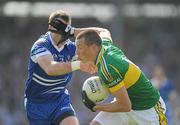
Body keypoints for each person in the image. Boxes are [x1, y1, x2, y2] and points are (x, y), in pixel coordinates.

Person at [75, 28, 168, 125]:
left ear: (93, 48)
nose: (77, 53)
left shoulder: (107, 68)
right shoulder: (104, 45)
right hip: (126, 106)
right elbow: (103, 31)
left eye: (80, 47)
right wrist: (72, 31)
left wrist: (96, 107)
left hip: (148, 111)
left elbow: (125, 105)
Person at [24, 10, 94, 125]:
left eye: (66, 28)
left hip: (59, 100)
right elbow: (50, 68)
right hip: (37, 105)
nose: (63, 32)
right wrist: (78, 65)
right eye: (59, 27)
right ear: (50, 26)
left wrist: (74, 31)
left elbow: (102, 33)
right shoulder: (41, 45)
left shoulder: (72, 48)